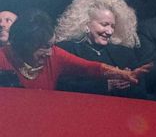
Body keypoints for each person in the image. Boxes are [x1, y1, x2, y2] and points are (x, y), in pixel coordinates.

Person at [0, 9, 145, 90]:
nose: (50, 52)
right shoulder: (3, 58)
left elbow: (90, 67)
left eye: (51, 45)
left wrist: (124, 74)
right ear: (26, 44)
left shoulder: (55, 54)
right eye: (44, 47)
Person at [53, 0, 146, 98]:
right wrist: (106, 86)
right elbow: (62, 86)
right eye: (104, 24)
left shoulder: (124, 53)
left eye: (113, 26)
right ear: (86, 23)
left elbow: (141, 90)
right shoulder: (66, 49)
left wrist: (129, 82)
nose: (110, 31)